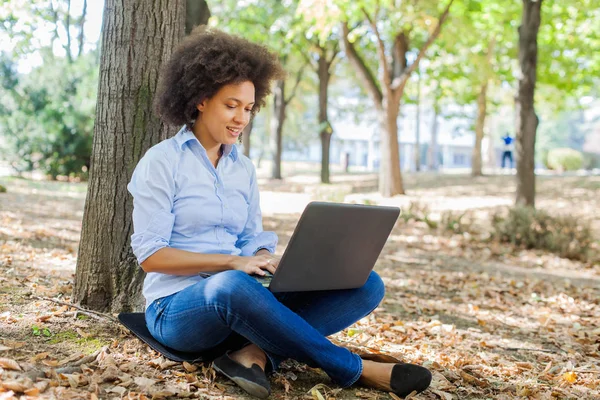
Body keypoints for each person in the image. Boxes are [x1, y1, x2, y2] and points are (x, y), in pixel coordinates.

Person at [127, 28, 432, 399]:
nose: (242, 117)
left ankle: (252, 354)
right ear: (201, 99)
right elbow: (152, 257)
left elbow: (249, 239)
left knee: (367, 284)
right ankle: (352, 368)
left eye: (249, 108)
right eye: (231, 105)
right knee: (232, 285)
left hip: (242, 298)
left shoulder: (243, 168)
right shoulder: (161, 162)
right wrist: (232, 263)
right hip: (176, 310)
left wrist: (261, 259)